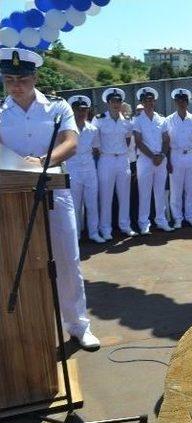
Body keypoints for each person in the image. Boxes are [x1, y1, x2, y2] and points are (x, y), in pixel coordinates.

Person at [0, 48, 100, 349]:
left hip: (55, 190)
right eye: (9, 80)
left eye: (22, 79)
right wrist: (19, 166)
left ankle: (78, 325)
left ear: (35, 77)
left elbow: (71, 142)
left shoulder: (57, 107)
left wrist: (43, 161)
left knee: (68, 259)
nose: (16, 85)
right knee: (21, 261)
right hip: (13, 197)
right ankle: (29, 326)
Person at [92, 88, 137, 239]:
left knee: (125, 195)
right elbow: (95, 143)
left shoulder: (127, 121)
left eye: (118, 101)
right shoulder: (99, 119)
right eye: (113, 101)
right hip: (106, 159)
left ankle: (125, 225)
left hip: (123, 160)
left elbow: (129, 140)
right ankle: (105, 229)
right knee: (106, 196)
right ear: (108, 103)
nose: (116, 104)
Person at [132, 87, 172, 234]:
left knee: (160, 192)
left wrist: (161, 155)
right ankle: (143, 223)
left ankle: (161, 220)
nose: (149, 103)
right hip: (145, 160)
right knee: (145, 193)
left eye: (151, 100)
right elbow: (138, 141)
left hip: (161, 159)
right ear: (141, 102)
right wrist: (152, 157)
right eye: (145, 100)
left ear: (154, 101)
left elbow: (166, 139)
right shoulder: (137, 120)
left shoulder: (161, 119)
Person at [66, 95, 104, 243]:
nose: (81, 113)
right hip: (73, 169)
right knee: (75, 205)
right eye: (77, 110)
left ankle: (94, 233)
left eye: (84, 110)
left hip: (89, 170)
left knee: (92, 203)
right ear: (72, 111)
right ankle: (76, 235)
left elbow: (96, 149)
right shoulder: (67, 129)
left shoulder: (93, 129)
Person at [164, 88, 192, 228]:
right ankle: (178, 218)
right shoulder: (168, 120)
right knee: (176, 189)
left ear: (187, 102)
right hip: (175, 155)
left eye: (184, 100)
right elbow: (166, 142)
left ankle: (190, 216)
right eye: (179, 100)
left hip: (190, 155)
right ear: (175, 102)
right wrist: (167, 161)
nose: (182, 103)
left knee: (190, 188)